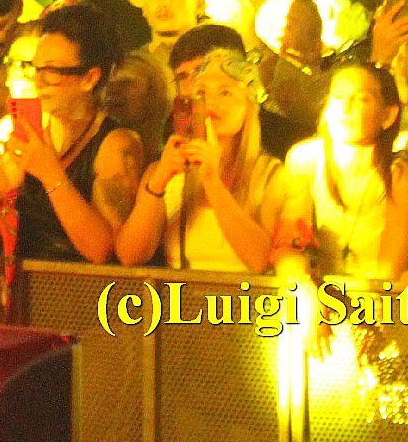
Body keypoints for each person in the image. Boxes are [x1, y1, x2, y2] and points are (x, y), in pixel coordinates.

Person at [0, 2, 144, 263]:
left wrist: (51, 174)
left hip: (80, 292)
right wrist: (5, 193)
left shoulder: (115, 144)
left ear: (89, 78)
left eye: (51, 71)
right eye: (35, 68)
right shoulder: (13, 128)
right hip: (20, 287)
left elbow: (102, 251)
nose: (38, 81)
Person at [118, 46, 290, 273]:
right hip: (179, 302)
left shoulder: (271, 175)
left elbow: (260, 261)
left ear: (249, 107)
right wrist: (158, 183)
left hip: (246, 302)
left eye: (225, 92)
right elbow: (130, 256)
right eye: (200, 93)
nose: (209, 103)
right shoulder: (165, 172)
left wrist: (213, 183)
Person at [278, 60, 408, 280]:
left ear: (388, 115)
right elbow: (292, 241)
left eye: (361, 99)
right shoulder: (305, 159)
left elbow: (392, 268)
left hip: (375, 301)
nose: (345, 108)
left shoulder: (401, 175)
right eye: (337, 97)